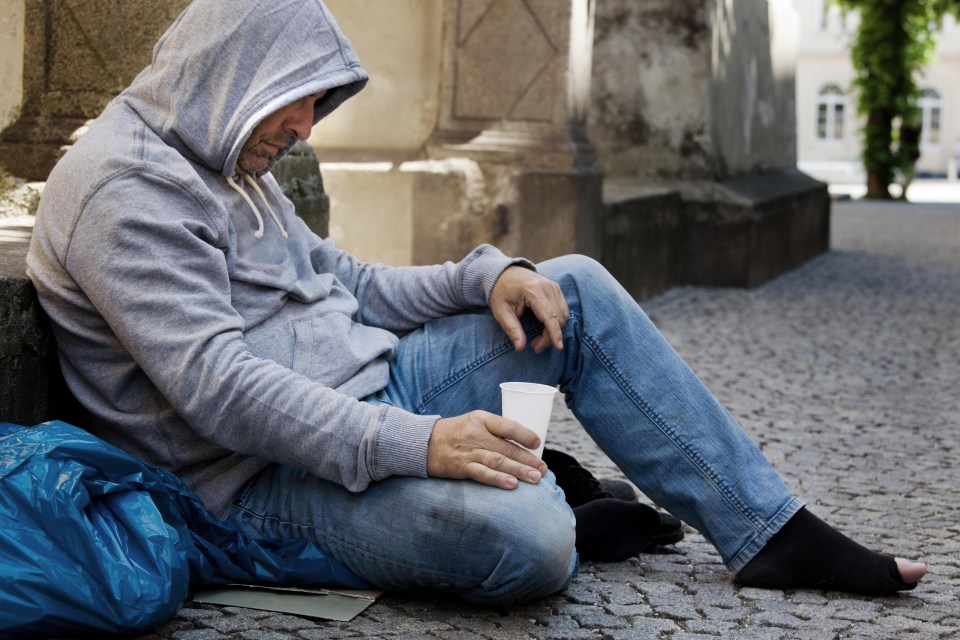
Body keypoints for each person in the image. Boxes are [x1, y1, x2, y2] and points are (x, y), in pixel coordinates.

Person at [26, 0, 926, 605]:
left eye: (311, 108)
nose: (306, 130)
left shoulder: (224, 151)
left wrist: (489, 275)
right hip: (258, 481)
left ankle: (766, 528)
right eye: (294, 107)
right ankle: (559, 501)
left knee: (569, 286)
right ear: (231, 78)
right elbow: (221, 392)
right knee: (528, 544)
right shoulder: (125, 193)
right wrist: (422, 443)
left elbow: (350, 285)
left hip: (372, 392)